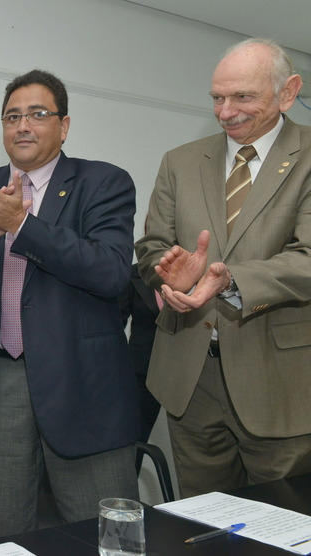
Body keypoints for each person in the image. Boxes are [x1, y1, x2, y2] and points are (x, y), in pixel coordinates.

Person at [0, 69, 139, 539]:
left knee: (103, 534)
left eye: (38, 114)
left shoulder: (103, 182)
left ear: (64, 126)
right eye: (12, 117)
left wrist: (21, 226)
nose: (22, 125)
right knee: (1, 531)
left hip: (83, 385)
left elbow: (110, 272)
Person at [135, 37, 311, 497]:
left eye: (243, 97)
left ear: (288, 92)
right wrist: (167, 271)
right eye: (217, 97)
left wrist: (230, 281)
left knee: (284, 521)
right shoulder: (180, 161)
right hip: (189, 378)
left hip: (280, 381)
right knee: (203, 520)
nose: (225, 112)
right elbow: (152, 246)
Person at [118, 263, 162, 450]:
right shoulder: (133, 274)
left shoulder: (198, 271)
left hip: (188, 374)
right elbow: (115, 325)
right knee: (134, 441)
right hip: (142, 373)